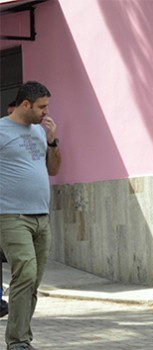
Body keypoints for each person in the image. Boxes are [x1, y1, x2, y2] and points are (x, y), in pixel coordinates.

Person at [0, 81, 61, 350]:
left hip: (41, 217)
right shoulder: (1, 129)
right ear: (25, 104)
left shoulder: (39, 131)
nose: (46, 112)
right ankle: (17, 342)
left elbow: (54, 170)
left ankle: (22, 337)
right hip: (11, 216)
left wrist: (53, 142)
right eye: (41, 107)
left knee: (33, 281)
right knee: (25, 273)